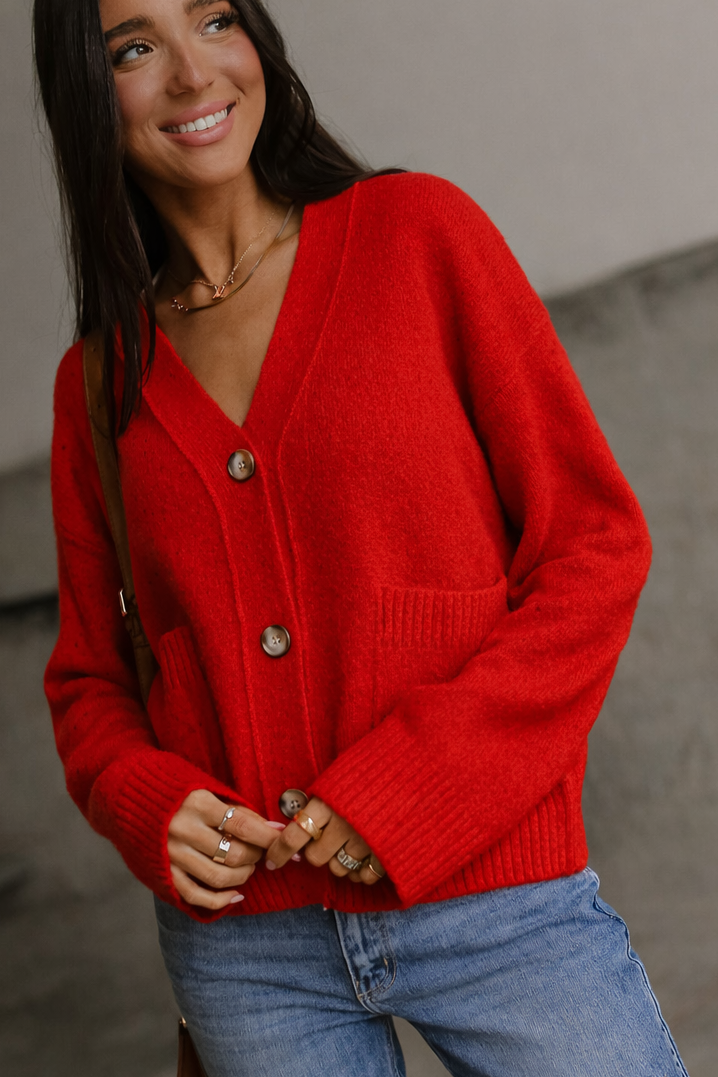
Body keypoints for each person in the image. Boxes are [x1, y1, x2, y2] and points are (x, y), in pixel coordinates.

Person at [34, 0, 689, 1074]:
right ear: (84, 91)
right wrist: (148, 802)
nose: (195, 74)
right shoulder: (100, 383)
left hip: (498, 901)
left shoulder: (418, 236)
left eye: (214, 20)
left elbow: (592, 548)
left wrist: (413, 786)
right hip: (247, 953)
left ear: (257, 40)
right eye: (135, 49)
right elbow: (88, 685)